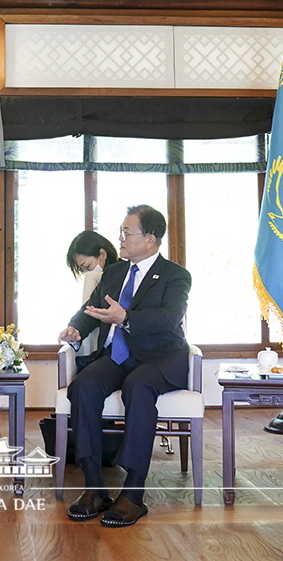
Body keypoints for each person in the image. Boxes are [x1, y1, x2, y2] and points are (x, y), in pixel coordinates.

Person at [58, 204, 191, 528]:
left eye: (126, 232)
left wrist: (126, 318)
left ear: (149, 238)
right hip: (117, 356)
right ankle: (95, 488)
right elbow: (89, 310)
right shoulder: (115, 273)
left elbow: (169, 318)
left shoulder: (175, 275)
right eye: (121, 231)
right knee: (84, 386)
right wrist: (76, 329)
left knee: (139, 387)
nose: (120, 238)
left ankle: (133, 494)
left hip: (159, 356)